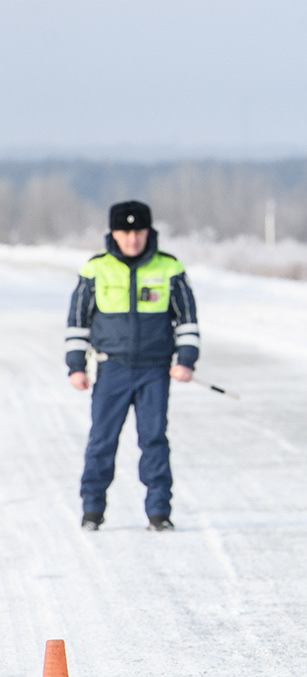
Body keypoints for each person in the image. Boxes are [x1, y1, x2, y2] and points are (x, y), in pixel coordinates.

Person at [65, 200, 200, 532]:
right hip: (112, 369)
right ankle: (92, 511)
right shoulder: (96, 269)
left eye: (138, 231)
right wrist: (75, 366)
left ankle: (158, 513)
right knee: (102, 440)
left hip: (155, 370)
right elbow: (78, 322)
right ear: (113, 233)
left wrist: (185, 360)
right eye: (125, 232)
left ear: (148, 232)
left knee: (153, 440)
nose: (132, 239)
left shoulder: (169, 267)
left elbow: (187, 320)